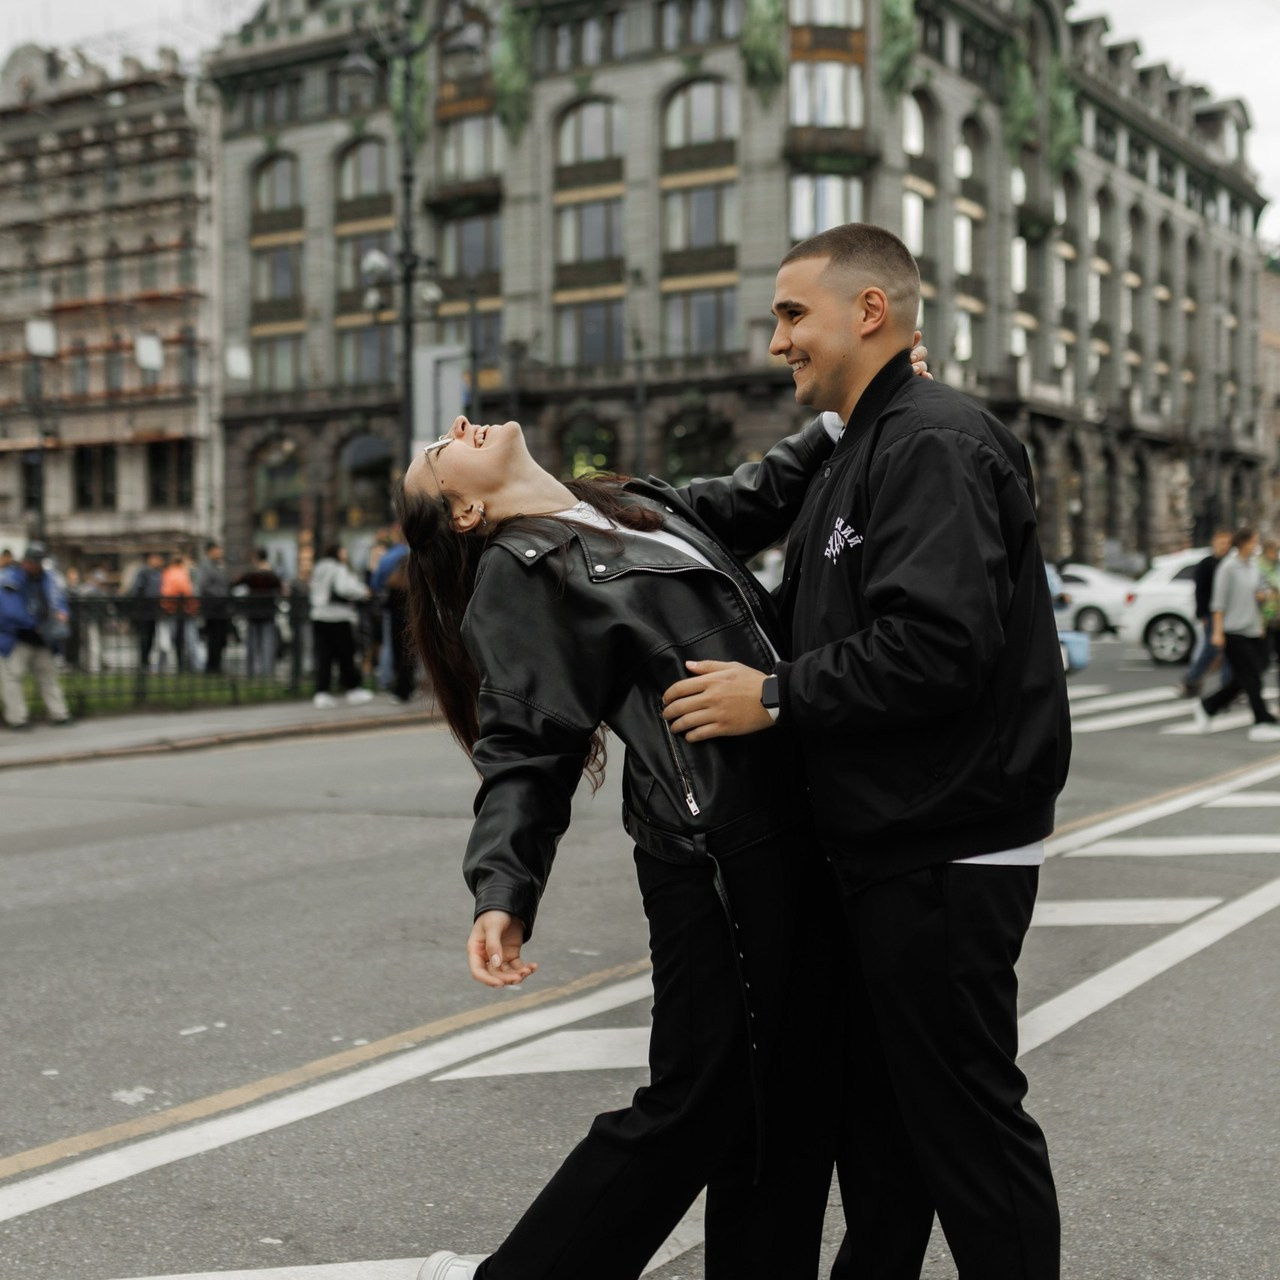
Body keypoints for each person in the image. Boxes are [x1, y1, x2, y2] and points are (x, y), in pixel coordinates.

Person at [663, 223, 1069, 1280]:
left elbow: (938, 647)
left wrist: (772, 695)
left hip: (941, 840)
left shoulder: (931, 440)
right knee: (890, 1134)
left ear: (869, 312)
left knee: (967, 1130)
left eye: (792, 313)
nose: (775, 340)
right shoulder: (863, 445)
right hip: (895, 839)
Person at [396, 411, 874, 1280]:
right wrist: (503, 889)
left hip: (782, 826)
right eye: (440, 453)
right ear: (464, 514)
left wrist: (839, 419)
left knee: (786, 1099)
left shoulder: (624, 503)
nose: (458, 426)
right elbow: (527, 752)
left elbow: (749, 497)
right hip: (711, 849)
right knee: (697, 1098)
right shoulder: (520, 571)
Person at [1192, 527, 1280, 741]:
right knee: (1251, 678)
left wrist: (1261, 602)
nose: (1255, 546)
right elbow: (1218, 604)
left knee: (1250, 674)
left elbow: (1259, 594)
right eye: (1253, 542)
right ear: (1242, 544)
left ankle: (1208, 705)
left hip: (1253, 629)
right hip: (1233, 631)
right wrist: (1218, 632)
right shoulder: (1228, 568)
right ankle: (1261, 720)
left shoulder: (1253, 567)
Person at [0, 542, 73, 730]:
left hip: (42, 638)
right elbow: (10, 611)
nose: (36, 566)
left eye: (39, 562)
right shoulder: (10, 578)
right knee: (13, 678)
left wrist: (62, 614)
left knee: (49, 676)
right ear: (25, 561)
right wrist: (34, 625)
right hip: (17, 638)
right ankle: (17, 719)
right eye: (33, 562)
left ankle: (59, 714)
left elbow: (60, 600)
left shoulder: (48, 578)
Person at [309, 544, 373, 708]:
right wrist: (362, 592)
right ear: (337, 552)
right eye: (343, 550)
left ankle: (321, 692)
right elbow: (344, 588)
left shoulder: (319, 568)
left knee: (324, 656)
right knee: (346, 655)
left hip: (319, 615)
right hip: (338, 616)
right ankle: (353, 689)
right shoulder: (339, 568)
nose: (345, 553)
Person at [1179, 529, 1233, 697]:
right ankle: (1191, 679)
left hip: (1230, 614)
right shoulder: (1206, 564)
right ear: (1214, 544)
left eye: (1227, 543)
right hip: (1211, 614)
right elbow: (1200, 592)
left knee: (1229, 651)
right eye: (1221, 543)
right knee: (1210, 650)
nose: (1224, 547)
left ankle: (1228, 687)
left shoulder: (1231, 564)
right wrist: (1202, 614)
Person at [369, 526, 415, 703]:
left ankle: (390, 682)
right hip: (415, 608)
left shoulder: (388, 558)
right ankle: (410, 686)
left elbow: (376, 582)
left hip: (394, 608)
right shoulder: (416, 553)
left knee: (393, 648)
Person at [234, 548, 284, 678]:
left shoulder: (251, 574)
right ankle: (267, 672)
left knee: (251, 644)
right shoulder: (272, 574)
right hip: (268, 612)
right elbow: (281, 589)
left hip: (253, 612)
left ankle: (251, 673)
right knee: (267, 644)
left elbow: (235, 583)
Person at [194, 541, 232, 675]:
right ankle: (212, 667)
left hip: (221, 608)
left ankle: (217, 665)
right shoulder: (205, 567)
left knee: (220, 638)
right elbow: (202, 586)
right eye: (217, 550)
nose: (219, 553)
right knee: (213, 638)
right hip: (212, 607)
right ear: (210, 551)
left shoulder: (218, 566)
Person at [127, 551, 165, 672]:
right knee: (144, 637)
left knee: (151, 637)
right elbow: (136, 590)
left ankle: (147, 663)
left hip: (154, 610)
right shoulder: (143, 573)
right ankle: (143, 663)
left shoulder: (159, 573)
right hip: (144, 610)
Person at [159, 553, 197, 673]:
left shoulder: (166, 573)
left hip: (169, 610)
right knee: (184, 640)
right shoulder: (180, 574)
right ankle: (185, 666)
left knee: (168, 640)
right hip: (181, 610)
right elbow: (186, 591)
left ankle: (164, 666)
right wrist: (192, 607)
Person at [1258, 538, 1280, 676]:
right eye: (1274, 551)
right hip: (1264, 618)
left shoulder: (1276, 565)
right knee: (1262, 660)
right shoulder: (1258, 566)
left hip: (1277, 618)